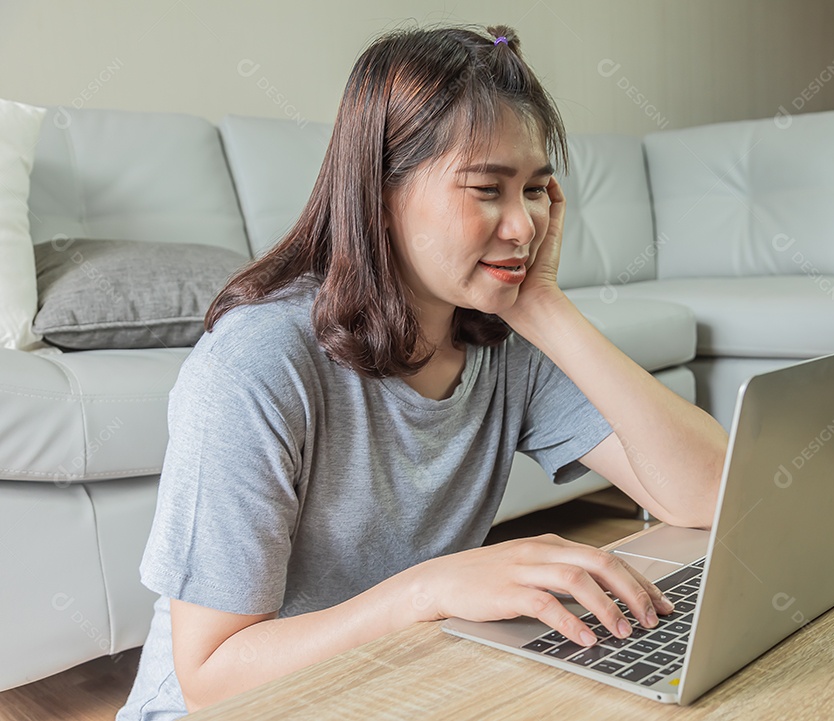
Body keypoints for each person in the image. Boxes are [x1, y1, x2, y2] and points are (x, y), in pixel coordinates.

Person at [116, 23, 727, 719]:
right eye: (487, 189)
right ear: (379, 193)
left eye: (535, 190)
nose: (524, 226)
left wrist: (548, 307)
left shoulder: (504, 342)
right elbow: (211, 674)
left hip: (384, 687)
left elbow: (710, 497)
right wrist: (426, 589)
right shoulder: (255, 365)